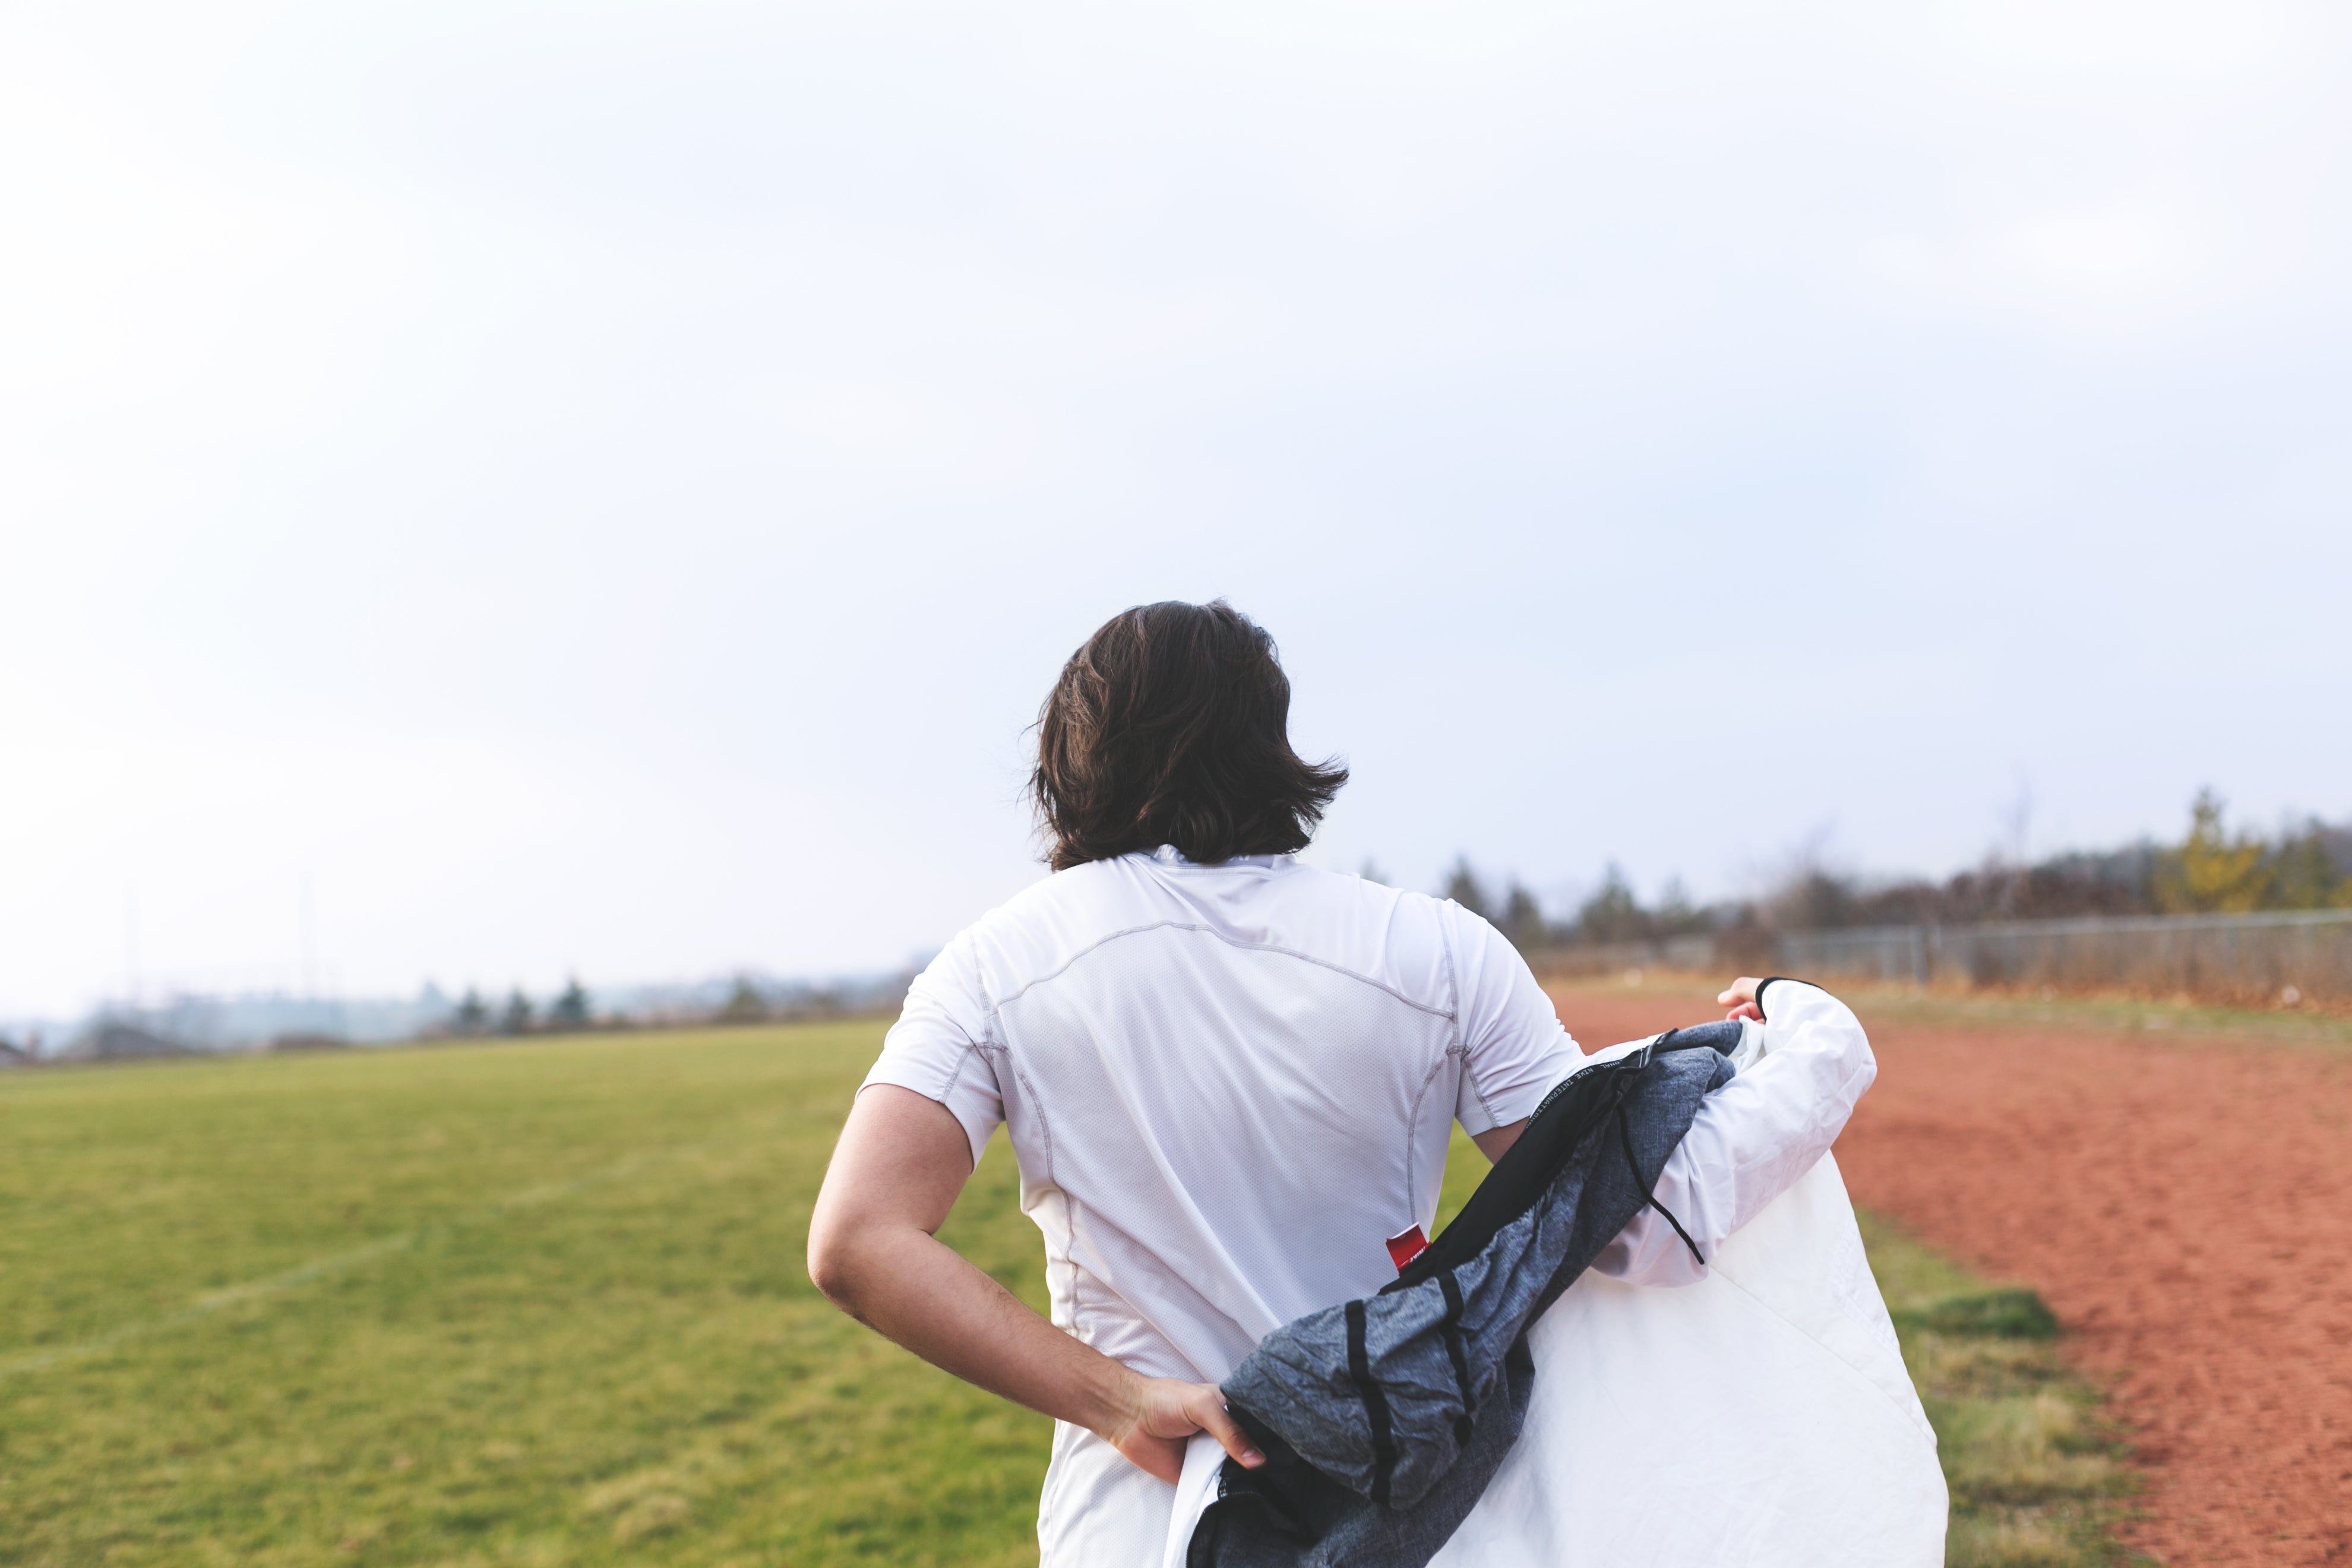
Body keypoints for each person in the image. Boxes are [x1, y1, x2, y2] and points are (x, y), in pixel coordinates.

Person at [807, 600, 1931, 1566]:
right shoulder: (1435, 951)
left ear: (1074, 756)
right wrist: (1806, 1047)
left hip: (1137, 1525)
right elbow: (1641, 1224)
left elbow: (858, 1241)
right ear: (1271, 749)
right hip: (1404, 1505)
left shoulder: (999, 963)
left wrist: (1122, 1403)